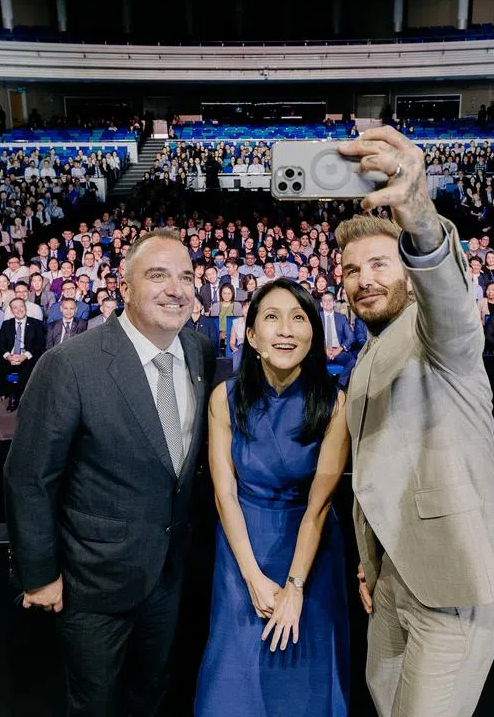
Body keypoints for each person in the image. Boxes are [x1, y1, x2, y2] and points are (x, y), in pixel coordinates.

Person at [336, 126, 494, 717]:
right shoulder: (371, 350)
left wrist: (418, 217)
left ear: (410, 274)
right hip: (394, 578)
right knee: (384, 700)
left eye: (379, 263)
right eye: (349, 269)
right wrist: (372, 568)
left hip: (454, 582)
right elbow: (373, 474)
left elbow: (448, 296)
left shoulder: (440, 338)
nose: (364, 277)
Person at [4, 228, 216, 717]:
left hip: (167, 572)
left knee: (153, 693)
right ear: (124, 288)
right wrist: (38, 576)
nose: (176, 289)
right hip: (92, 583)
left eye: (185, 277)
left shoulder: (200, 352)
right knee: (96, 704)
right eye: (158, 275)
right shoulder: (69, 364)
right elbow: (29, 477)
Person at [194, 278, 350, 717]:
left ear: (313, 334)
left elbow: (319, 506)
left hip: (310, 551)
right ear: (251, 335)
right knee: (231, 685)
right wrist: (252, 576)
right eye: (272, 318)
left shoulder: (335, 404)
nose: (286, 330)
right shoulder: (224, 400)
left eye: (299, 318)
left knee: (305, 684)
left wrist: (295, 587)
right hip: (242, 546)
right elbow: (224, 493)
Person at [0, 297, 45, 411]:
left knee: (25, 373)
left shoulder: (36, 323)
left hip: (27, 357)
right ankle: (5, 391)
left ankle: (15, 397)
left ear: (25, 307)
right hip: (10, 357)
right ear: (11, 311)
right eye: (15, 308)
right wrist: (8, 356)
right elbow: (0, 344)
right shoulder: (6, 324)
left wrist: (24, 356)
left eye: (21, 306)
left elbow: (40, 344)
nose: (19, 309)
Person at [319, 290, 355, 386]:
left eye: (330, 300)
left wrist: (340, 348)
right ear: (321, 304)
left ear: (334, 303)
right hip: (322, 352)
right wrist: (324, 349)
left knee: (352, 361)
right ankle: (322, 387)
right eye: (325, 301)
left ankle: (340, 386)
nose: (327, 303)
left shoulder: (341, 318)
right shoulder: (316, 318)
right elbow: (312, 338)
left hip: (339, 351)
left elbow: (351, 337)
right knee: (312, 362)